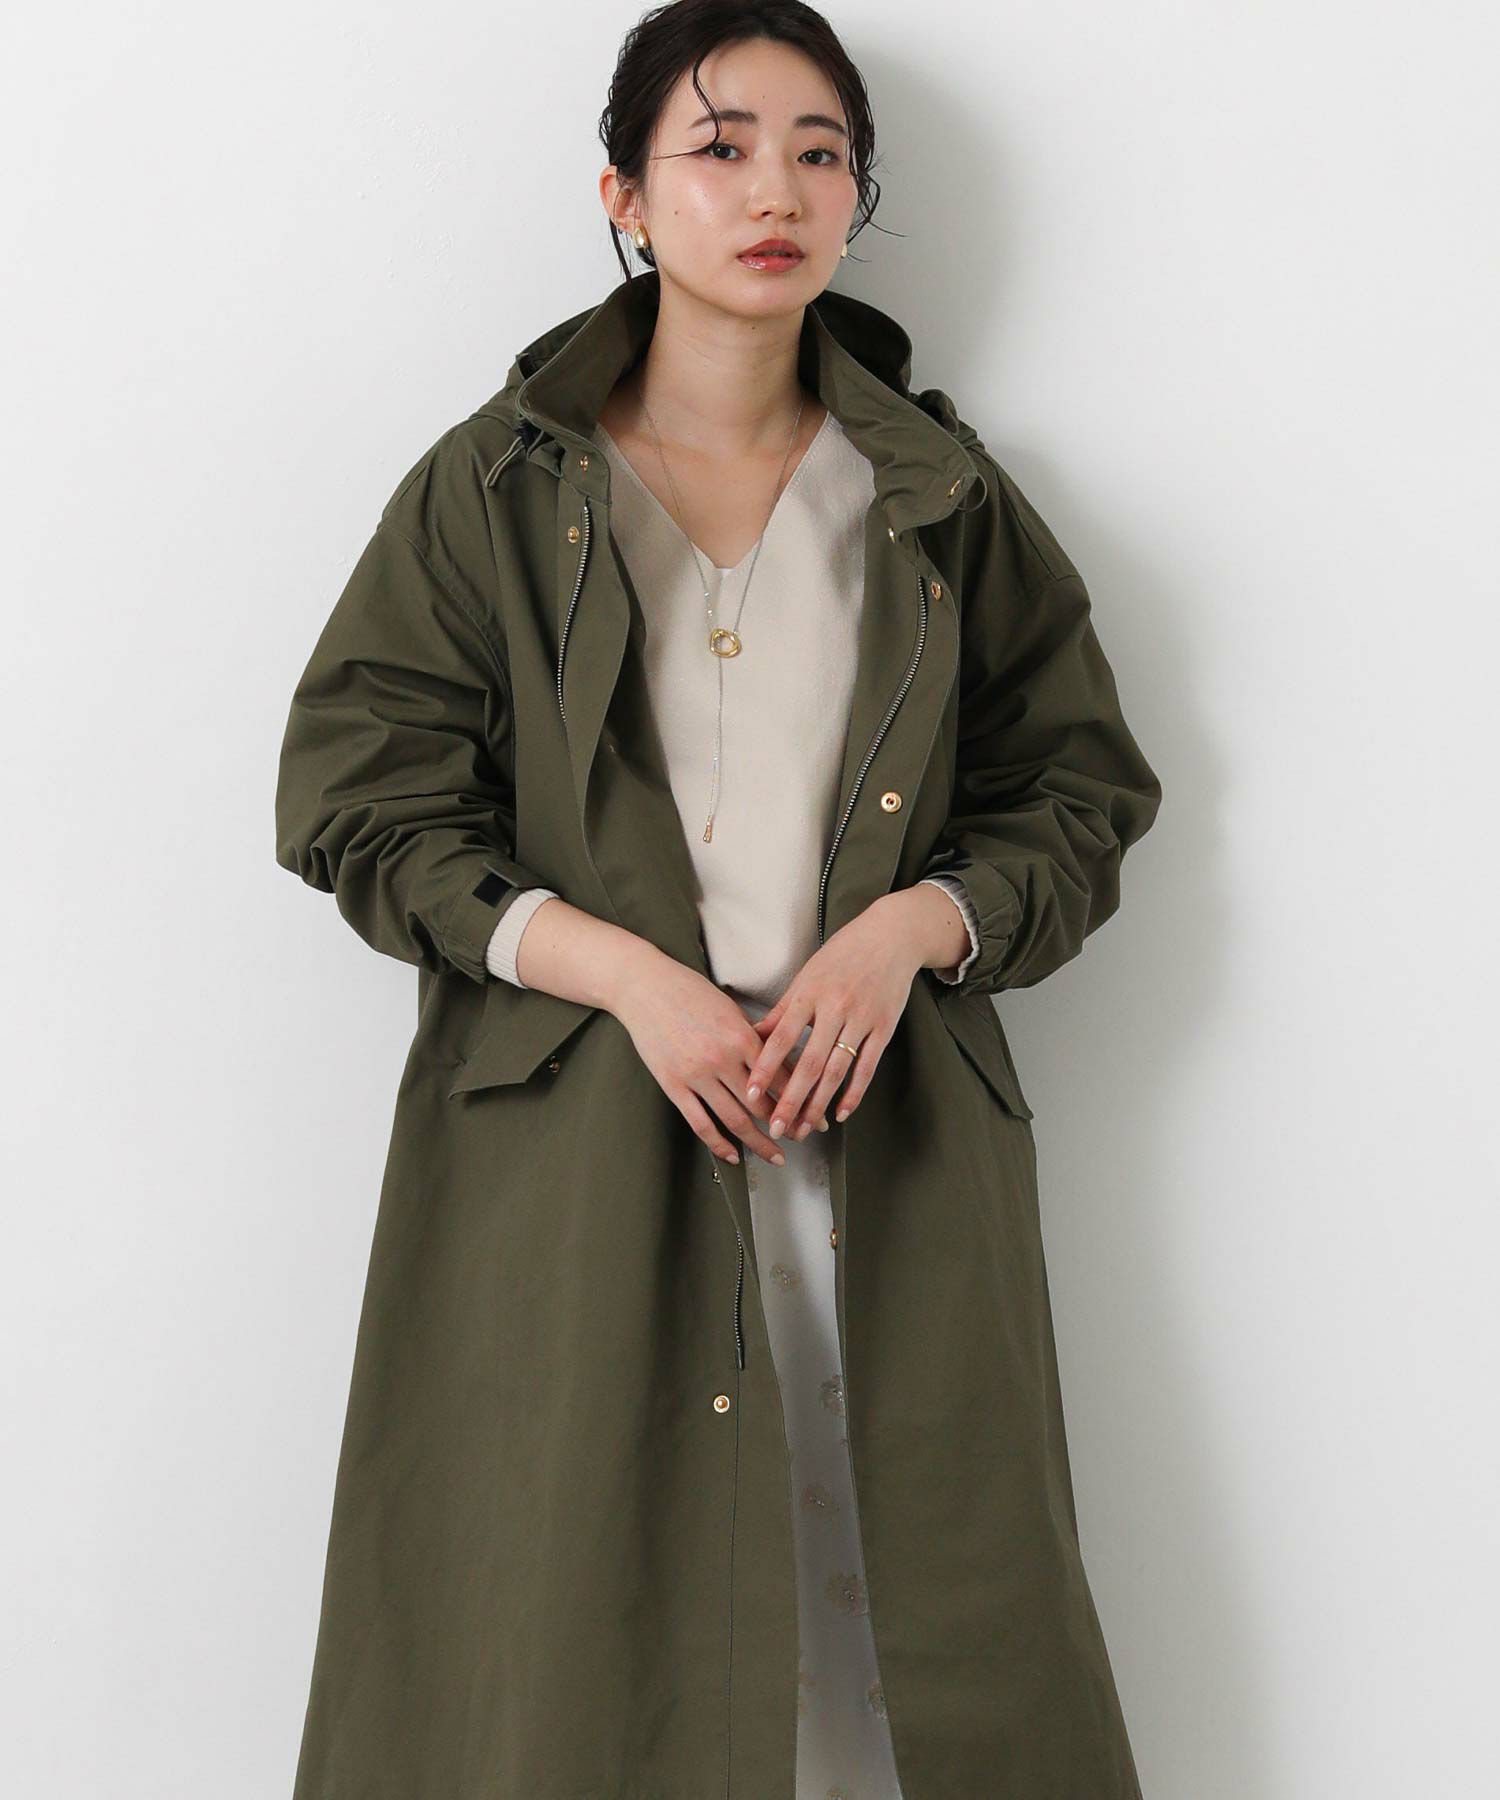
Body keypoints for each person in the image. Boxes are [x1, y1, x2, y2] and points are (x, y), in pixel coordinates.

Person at [274, 6, 1163, 1797]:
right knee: (578, 1662)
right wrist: (626, 976)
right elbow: (359, 801)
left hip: (886, 1147)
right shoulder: (494, 490)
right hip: (585, 1162)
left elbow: (1077, 796)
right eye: (721, 145)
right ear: (624, 194)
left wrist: (910, 932)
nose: (777, 190)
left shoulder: (938, 494)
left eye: (822, 154)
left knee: (917, 1638)